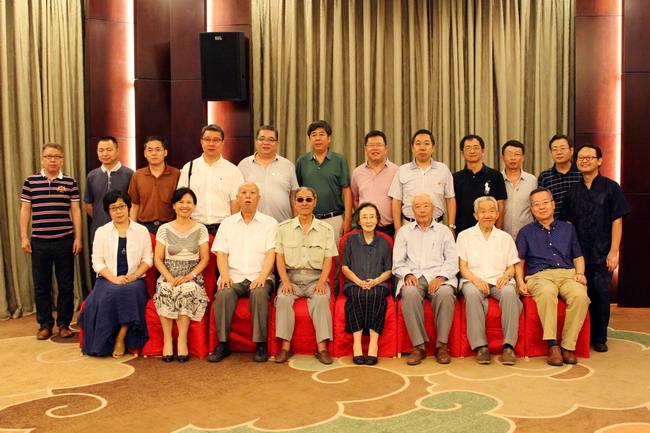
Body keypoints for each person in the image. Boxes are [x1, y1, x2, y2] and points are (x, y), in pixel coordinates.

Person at [562, 144, 630, 353]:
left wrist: (614, 251)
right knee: (581, 294)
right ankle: (582, 336)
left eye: (589, 157)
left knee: (601, 295)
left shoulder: (611, 187)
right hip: (578, 255)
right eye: (581, 158)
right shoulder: (572, 191)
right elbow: (568, 224)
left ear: (599, 161)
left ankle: (599, 337)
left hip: (602, 252)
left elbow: (617, 220)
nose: (584, 161)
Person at [515, 187, 590, 366]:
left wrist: (580, 274)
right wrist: (519, 282)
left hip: (567, 274)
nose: (542, 207)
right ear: (531, 209)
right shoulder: (525, 232)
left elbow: (578, 256)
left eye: (545, 202)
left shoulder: (568, 229)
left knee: (580, 295)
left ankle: (568, 346)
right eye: (536, 204)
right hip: (539, 276)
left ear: (553, 204)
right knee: (547, 292)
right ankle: (553, 345)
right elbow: (519, 261)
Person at [209, 182, 278, 363]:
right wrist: (224, 276)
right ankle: (223, 344)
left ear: (258, 198)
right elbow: (221, 253)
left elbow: (272, 253)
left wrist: (262, 277)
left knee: (259, 293)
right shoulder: (227, 223)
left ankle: (261, 344)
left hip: (260, 275)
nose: (248, 196)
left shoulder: (270, 223)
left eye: (252, 193)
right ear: (237, 198)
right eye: (244, 193)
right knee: (223, 294)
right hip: (234, 276)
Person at [77, 190, 153, 357]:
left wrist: (134, 276)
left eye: (122, 206)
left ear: (128, 207)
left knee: (129, 292)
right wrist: (114, 279)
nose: (119, 211)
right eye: (113, 208)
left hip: (135, 280)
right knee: (110, 293)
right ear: (108, 211)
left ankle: (121, 336)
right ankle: (106, 339)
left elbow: (148, 259)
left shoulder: (141, 230)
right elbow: (97, 262)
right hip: (108, 279)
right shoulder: (101, 231)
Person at [20, 143, 82, 340]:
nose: (52, 160)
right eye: (48, 156)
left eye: (56, 156)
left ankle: (64, 324)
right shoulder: (30, 182)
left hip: (65, 240)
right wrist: (24, 237)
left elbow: (76, 211)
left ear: (62, 160)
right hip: (39, 241)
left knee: (66, 285)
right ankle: (45, 324)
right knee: (42, 286)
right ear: (42, 159)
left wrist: (78, 237)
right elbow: (25, 210)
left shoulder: (70, 182)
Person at [393, 193, 459, 365]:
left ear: (433, 209)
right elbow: (398, 261)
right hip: (414, 276)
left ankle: (441, 346)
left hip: (439, 276)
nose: (422, 210)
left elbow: (452, 261)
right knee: (409, 293)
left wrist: (441, 277)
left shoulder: (444, 232)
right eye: (418, 207)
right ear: (412, 211)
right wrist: (407, 274)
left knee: (445, 294)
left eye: (426, 206)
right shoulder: (404, 232)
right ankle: (419, 346)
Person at [274, 187, 337, 364]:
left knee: (321, 299)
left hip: (316, 279)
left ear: (315, 202)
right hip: (291, 279)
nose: (304, 203)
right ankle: (286, 348)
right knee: (283, 299)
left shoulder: (326, 229)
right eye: (300, 200)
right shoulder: (283, 228)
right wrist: (285, 281)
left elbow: (328, 258)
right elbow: (279, 257)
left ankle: (322, 348)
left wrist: (322, 281)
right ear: (294, 203)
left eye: (308, 199)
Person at [456, 196, 522, 365]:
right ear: (475, 215)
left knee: (510, 294)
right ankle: (481, 347)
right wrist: (475, 280)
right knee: (471, 294)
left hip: (499, 280)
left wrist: (506, 276)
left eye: (492, 211)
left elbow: (511, 267)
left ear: (497, 214)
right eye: (483, 211)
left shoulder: (505, 238)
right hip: (473, 280)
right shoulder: (464, 236)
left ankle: (509, 347)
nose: (488, 215)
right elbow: (462, 267)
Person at [153, 188, 210, 362]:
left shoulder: (201, 229)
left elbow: (205, 258)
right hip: (168, 275)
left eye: (189, 202)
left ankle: (182, 341)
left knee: (185, 290)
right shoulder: (164, 229)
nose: (185, 206)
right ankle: (167, 340)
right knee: (165, 289)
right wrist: (170, 278)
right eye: (181, 202)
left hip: (193, 277)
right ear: (174, 205)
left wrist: (189, 276)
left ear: (194, 206)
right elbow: (158, 259)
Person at [341, 202, 392, 365]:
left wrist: (376, 281)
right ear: (359, 220)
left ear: (377, 220)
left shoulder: (384, 242)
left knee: (376, 295)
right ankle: (357, 344)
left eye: (372, 217)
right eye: (364, 217)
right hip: (354, 283)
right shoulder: (350, 240)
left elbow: (389, 270)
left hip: (379, 284)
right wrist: (358, 281)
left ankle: (373, 345)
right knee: (357, 295)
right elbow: (345, 267)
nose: (368, 221)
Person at [177, 124, 244, 236]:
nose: (211, 144)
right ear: (201, 142)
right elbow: (180, 199)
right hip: (194, 228)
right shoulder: (189, 168)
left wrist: (234, 229)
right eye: (207, 139)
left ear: (222, 143)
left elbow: (236, 202)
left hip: (223, 229)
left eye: (216, 140)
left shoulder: (232, 170)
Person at [389, 129, 456, 235]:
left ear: (433, 147)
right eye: (418, 144)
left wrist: (451, 226)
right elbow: (396, 201)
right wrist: (397, 229)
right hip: (409, 227)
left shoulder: (443, 169)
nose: (422, 148)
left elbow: (450, 199)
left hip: (437, 227)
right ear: (412, 147)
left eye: (426, 144)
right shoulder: (402, 170)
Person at [295, 120, 352, 245]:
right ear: (309, 139)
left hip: (334, 218)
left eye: (322, 134)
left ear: (329, 138)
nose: (318, 138)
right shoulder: (302, 161)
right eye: (314, 135)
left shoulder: (340, 160)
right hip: (309, 219)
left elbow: (347, 191)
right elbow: (296, 192)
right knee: (309, 255)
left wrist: (347, 220)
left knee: (335, 255)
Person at [238, 126, 299, 223]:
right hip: (252, 224)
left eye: (271, 140)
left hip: (282, 224)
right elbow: (238, 197)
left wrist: (297, 223)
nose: (266, 143)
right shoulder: (243, 165)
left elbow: (294, 197)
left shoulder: (288, 165)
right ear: (256, 141)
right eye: (262, 139)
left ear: (277, 143)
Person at [453, 134, 507, 234]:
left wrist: (497, 231)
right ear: (462, 153)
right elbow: (452, 205)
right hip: (462, 231)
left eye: (476, 147)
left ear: (482, 151)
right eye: (468, 148)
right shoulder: (455, 177)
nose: (472, 151)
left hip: (489, 231)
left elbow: (500, 205)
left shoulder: (495, 175)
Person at [85, 136, 134, 246]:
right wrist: (103, 216)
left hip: (125, 229)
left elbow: (134, 204)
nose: (105, 154)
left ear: (117, 151)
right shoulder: (92, 176)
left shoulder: (129, 174)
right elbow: (88, 204)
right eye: (101, 150)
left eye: (109, 150)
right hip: (99, 227)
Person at [350, 130, 399, 238]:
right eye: (371, 145)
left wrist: (397, 229)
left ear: (386, 148)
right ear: (365, 149)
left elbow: (400, 201)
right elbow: (355, 199)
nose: (375, 148)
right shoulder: (357, 172)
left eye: (379, 145)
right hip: (364, 230)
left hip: (389, 229)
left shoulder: (397, 171)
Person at [128, 136, 181, 234]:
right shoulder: (137, 175)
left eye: (158, 150)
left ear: (165, 152)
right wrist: (133, 231)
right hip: (144, 228)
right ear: (145, 153)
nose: (153, 153)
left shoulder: (176, 174)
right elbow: (134, 205)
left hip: (171, 227)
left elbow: (181, 204)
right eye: (150, 150)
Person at [537, 134, 582, 219]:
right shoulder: (545, 177)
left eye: (563, 148)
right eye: (555, 149)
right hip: (554, 224)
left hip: (580, 223)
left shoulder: (581, 174)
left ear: (571, 150)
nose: (559, 152)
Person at [501, 140, 538, 240]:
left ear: (523, 158)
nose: (513, 158)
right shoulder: (497, 179)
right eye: (509, 154)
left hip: (528, 236)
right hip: (503, 236)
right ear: (502, 158)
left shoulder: (532, 180)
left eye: (517, 154)